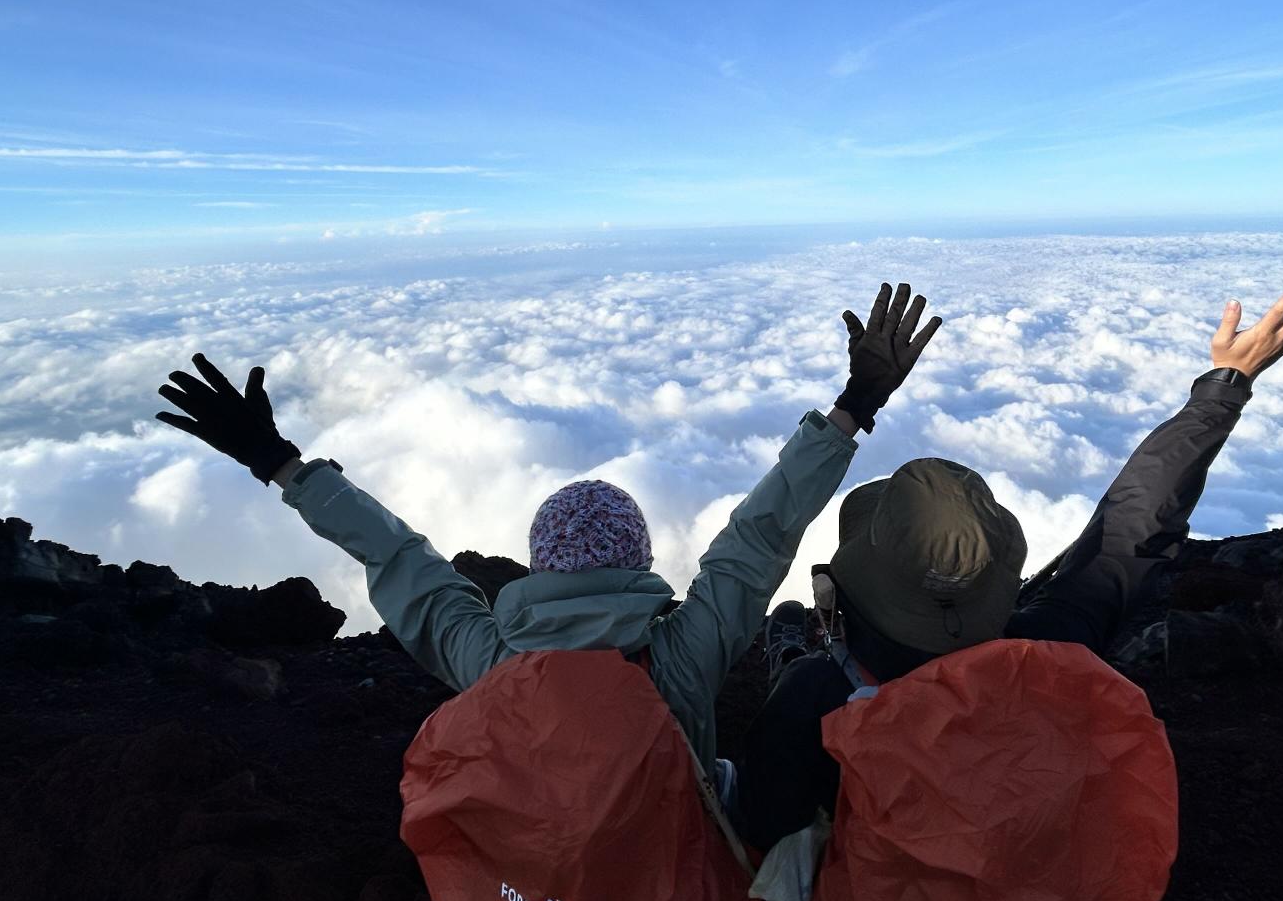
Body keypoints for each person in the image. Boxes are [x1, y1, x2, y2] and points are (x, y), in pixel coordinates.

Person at [151, 282, 944, 782]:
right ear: (636, 564)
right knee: (730, 777)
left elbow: (396, 556)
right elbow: (761, 536)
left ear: (540, 569)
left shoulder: (492, 664)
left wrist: (282, 465)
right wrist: (854, 406)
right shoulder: (684, 655)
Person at [733, 278, 1283, 852]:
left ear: (843, 590)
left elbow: (761, 828)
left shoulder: (814, 698)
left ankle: (783, 652)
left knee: (794, 691)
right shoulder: (1047, 653)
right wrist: (1227, 384)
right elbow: (1132, 529)